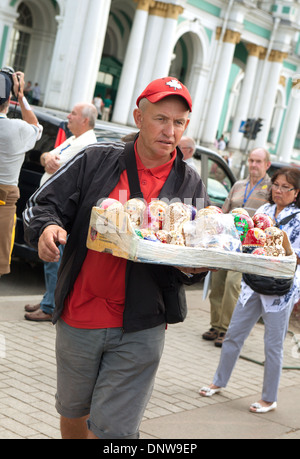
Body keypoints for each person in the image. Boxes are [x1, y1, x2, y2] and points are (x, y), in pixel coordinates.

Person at [23, 76, 212, 439]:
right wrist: (46, 229)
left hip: (142, 325)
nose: (170, 130)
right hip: (80, 315)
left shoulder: (190, 185)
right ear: (139, 118)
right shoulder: (97, 159)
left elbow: (194, 257)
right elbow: (43, 204)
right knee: (74, 412)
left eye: (179, 122)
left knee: (114, 433)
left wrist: (198, 265)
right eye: (161, 118)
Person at [200, 167, 300, 413]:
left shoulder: (298, 219)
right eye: (276, 185)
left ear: (296, 192)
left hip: (279, 289)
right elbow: (248, 240)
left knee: (273, 345)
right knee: (234, 334)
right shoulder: (264, 211)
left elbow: (296, 257)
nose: (278, 191)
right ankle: (218, 381)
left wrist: (277, 248)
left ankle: (269, 397)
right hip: (253, 282)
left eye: (286, 187)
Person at [24, 103, 98, 322]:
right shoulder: (74, 138)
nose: (68, 115)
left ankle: (50, 306)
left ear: (85, 120)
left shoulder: (86, 144)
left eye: (73, 113)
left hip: (61, 211)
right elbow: (46, 158)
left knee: (53, 257)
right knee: (50, 258)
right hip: (52, 207)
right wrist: (47, 158)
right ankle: (49, 298)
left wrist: (48, 159)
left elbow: (55, 165)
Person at [203, 148, 271, 347]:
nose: (253, 164)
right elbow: (225, 210)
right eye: (251, 160)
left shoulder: (269, 189)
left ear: (267, 164)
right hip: (227, 241)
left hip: (248, 246)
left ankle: (227, 329)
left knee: (233, 285)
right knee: (217, 283)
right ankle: (215, 325)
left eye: (258, 161)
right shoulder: (239, 185)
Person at [0, 69, 42, 277]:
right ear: (8, 97)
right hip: (3, 202)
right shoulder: (17, 129)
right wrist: (21, 96)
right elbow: (36, 126)